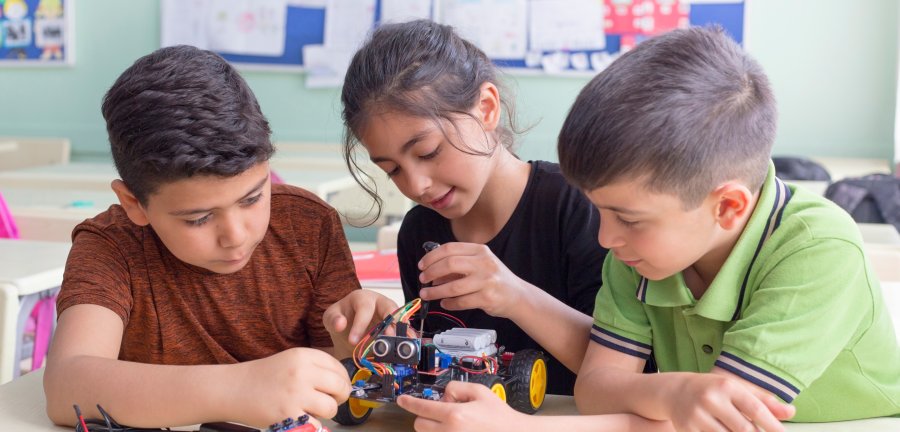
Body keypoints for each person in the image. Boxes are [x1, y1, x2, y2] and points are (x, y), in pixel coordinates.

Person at [559, 26, 899, 430]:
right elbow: (595, 388)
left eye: (629, 218)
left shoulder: (818, 245)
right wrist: (672, 392)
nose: (605, 237)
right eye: (600, 211)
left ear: (728, 206)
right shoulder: (636, 252)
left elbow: (723, 419)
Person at [43, 45, 380, 429]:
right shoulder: (110, 246)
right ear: (133, 202)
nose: (235, 236)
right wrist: (239, 389)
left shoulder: (309, 224)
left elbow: (335, 372)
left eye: (253, 198)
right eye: (198, 219)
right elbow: (65, 387)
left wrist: (362, 341)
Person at [324, 19, 607, 398]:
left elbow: (629, 368)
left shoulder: (578, 206)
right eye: (391, 170)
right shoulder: (420, 232)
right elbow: (434, 373)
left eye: (428, 152)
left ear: (486, 108)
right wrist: (384, 338)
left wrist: (515, 297)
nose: (415, 185)